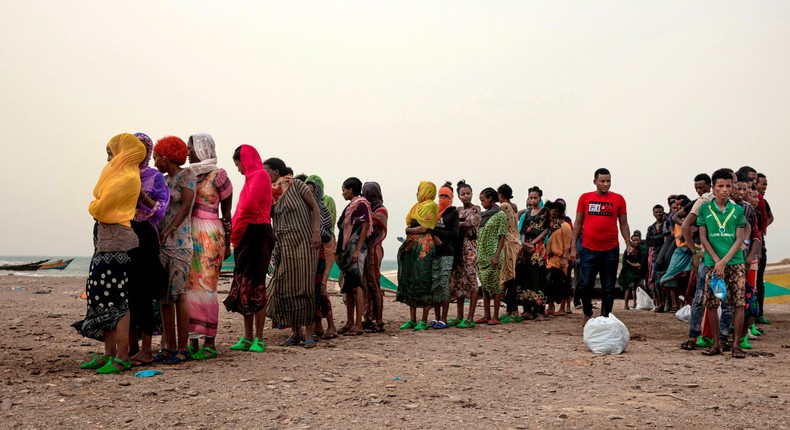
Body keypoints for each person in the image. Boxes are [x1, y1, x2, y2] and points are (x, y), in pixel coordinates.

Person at [74, 133, 146, 374]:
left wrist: (94, 205)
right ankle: (108, 354)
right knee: (102, 297)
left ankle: (122, 355)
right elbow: (100, 204)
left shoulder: (127, 177)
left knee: (117, 299)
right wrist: (97, 205)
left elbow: (101, 208)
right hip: (106, 243)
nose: (108, 159)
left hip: (119, 244)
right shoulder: (117, 175)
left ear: (124, 152)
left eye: (111, 153)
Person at [263, 157, 322, 347]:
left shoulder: (297, 185)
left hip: (304, 242)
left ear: (277, 171)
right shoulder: (270, 193)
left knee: (304, 286)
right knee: (284, 285)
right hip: (283, 243)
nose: (265, 174)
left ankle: (309, 333)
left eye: (267, 171)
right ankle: (294, 333)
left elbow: (315, 208)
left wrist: (316, 232)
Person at [185, 133, 233, 360]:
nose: (187, 152)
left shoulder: (219, 175)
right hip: (188, 233)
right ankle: (192, 340)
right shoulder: (187, 174)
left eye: (190, 148)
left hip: (210, 235)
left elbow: (227, 213)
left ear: (202, 149)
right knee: (189, 287)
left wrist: (229, 242)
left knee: (206, 285)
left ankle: (210, 341)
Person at [223, 145, 275, 353]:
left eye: (238, 165)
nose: (238, 169)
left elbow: (249, 207)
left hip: (258, 234)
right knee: (244, 285)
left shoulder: (261, 176)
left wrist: (234, 226)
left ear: (245, 161)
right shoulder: (250, 180)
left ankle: (259, 338)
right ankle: (247, 337)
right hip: (245, 235)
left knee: (256, 285)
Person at [127, 133, 170, 367]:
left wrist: (141, 195)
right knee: (127, 292)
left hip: (145, 233)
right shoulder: (120, 173)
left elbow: (161, 209)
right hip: (122, 234)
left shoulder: (155, 177)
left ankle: (146, 349)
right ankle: (130, 347)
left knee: (143, 291)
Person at [153, 136, 196, 365]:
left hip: (179, 242)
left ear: (166, 157)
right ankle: (168, 345)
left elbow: (186, 206)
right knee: (164, 296)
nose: (154, 163)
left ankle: (183, 347)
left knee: (178, 293)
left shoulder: (186, 176)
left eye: (156, 158)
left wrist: (168, 230)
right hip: (162, 242)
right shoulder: (162, 180)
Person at [570, 168, 633, 324]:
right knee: (585, 284)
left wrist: (628, 242)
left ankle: (606, 317)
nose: (606, 184)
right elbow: (577, 223)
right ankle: (587, 313)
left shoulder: (618, 199)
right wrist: (573, 247)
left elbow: (623, 223)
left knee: (608, 286)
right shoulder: (585, 198)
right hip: (588, 249)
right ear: (595, 182)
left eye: (608, 181)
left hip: (610, 250)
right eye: (602, 181)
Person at [698, 168, 747, 359]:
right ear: (713, 188)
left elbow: (739, 239)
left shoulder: (737, 210)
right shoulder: (704, 209)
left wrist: (725, 261)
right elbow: (703, 236)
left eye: (728, 186)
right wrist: (717, 261)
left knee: (738, 303)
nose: (725, 190)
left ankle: (735, 345)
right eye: (721, 186)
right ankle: (717, 344)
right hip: (713, 264)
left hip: (734, 263)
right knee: (712, 302)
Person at [397, 181, 438, 331]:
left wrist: (409, 230)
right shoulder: (416, 206)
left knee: (423, 280)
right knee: (410, 280)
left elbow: (425, 227)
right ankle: (412, 319)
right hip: (411, 248)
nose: (417, 193)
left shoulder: (431, 206)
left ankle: (424, 320)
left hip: (424, 248)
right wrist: (411, 230)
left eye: (419, 190)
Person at [336, 177, 372, 336]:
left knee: (356, 285)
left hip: (355, 248)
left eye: (344, 189)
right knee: (348, 286)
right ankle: (350, 322)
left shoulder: (361, 205)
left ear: (350, 190)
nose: (342, 193)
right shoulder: (350, 207)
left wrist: (357, 250)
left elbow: (364, 228)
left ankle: (358, 323)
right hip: (347, 249)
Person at [306, 174, 339, 339]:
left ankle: (331, 325)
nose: (310, 194)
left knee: (322, 287)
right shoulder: (305, 209)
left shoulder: (323, 209)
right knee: (312, 288)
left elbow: (327, 229)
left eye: (312, 191)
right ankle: (317, 324)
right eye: (307, 191)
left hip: (326, 247)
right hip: (313, 251)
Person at [449, 180, 481, 329]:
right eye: (463, 194)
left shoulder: (475, 209)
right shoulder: (457, 211)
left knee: (472, 280)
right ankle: (459, 316)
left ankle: (470, 317)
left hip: (469, 249)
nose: (466, 196)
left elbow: (468, 225)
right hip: (457, 249)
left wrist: (455, 225)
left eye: (468, 193)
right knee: (459, 282)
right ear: (458, 196)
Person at [475, 187, 509, 325]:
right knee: (485, 286)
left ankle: (495, 316)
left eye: (483, 200)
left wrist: (497, 255)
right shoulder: (484, 215)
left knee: (496, 287)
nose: (482, 203)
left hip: (494, 253)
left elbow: (502, 236)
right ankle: (486, 315)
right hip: (482, 254)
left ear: (490, 198)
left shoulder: (500, 215)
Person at [516, 186, 550, 319]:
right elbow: (523, 230)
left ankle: (540, 310)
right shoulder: (527, 214)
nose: (533, 200)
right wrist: (524, 244)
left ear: (540, 198)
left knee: (538, 278)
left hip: (538, 248)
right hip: (526, 249)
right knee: (525, 277)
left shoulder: (545, 212)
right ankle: (527, 310)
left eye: (535, 198)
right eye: (530, 198)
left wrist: (533, 242)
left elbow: (546, 230)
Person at [430, 182, 459, 328]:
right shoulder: (433, 210)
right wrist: (433, 233)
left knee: (444, 284)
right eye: (441, 195)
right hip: (434, 253)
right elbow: (427, 227)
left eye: (446, 196)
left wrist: (436, 231)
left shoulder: (453, 212)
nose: (443, 198)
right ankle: (435, 317)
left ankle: (444, 318)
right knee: (434, 285)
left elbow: (454, 233)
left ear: (451, 197)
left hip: (447, 253)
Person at [361, 181, 388, 333]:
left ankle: (378, 319)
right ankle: (368, 317)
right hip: (368, 250)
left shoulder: (381, 211)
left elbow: (372, 232)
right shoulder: (371, 209)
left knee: (374, 284)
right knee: (366, 283)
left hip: (374, 250)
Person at [497, 184, 522, 323]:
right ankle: (509, 310)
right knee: (509, 278)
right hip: (514, 243)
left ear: (500, 194)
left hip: (508, 244)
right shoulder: (514, 206)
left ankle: (515, 311)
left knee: (510, 279)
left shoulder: (503, 206)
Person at [544, 200, 573, 316]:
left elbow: (567, 245)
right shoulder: (550, 226)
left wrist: (564, 258)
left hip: (560, 258)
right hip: (550, 258)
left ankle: (561, 308)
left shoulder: (565, 226)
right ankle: (550, 307)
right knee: (549, 283)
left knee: (562, 283)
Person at [617, 233, 645, 310]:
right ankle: (626, 304)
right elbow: (625, 260)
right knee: (629, 287)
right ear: (632, 241)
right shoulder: (628, 249)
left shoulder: (643, 249)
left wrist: (639, 265)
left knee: (637, 287)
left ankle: (636, 303)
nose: (636, 242)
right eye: (634, 240)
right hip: (629, 271)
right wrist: (633, 265)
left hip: (639, 271)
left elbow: (644, 259)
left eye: (637, 240)